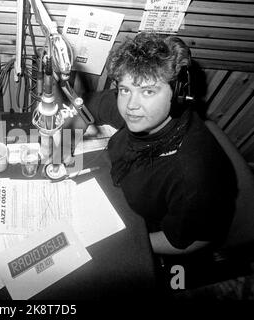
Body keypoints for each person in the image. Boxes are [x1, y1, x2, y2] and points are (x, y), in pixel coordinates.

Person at [84, 32, 237, 256]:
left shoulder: (193, 177)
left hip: (144, 226)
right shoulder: (141, 112)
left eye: (148, 91)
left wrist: (128, 244)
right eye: (125, 89)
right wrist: (61, 139)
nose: (130, 105)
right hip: (118, 190)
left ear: (178, 94)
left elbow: (191, 240)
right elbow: (88, 106)